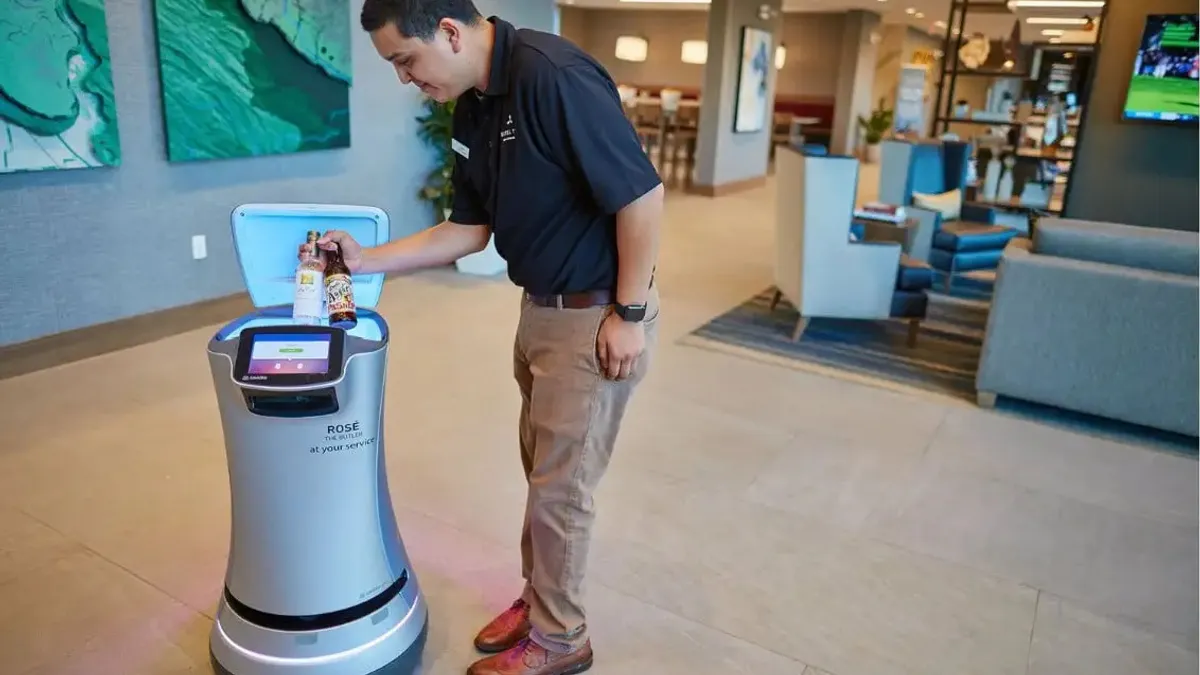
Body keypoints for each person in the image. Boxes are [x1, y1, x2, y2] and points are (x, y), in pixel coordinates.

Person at [302, 2, 663, 674]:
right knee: (544, 474)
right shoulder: (471, 104)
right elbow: (469, 229)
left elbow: (640, 196)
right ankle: (540, 600)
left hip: (594, 313)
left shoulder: (554, 76)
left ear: (448, 31)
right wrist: (365, 259)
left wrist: (630, 314)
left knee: (563, 488)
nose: (405, 80)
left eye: (404, 61)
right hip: (541, 310)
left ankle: (561, 640)